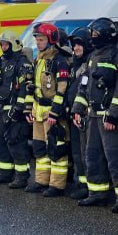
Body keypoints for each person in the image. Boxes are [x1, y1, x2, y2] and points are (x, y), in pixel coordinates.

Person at [73, 18, 118, 211]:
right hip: (92, 117)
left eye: (95, 35)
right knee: (92, 156)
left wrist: (114, 115)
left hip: (110, 118)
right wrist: (77, 109)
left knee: (115, 158)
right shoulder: (92, 57)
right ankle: (97, 193)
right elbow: (84, 86)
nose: (92, 39)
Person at [26, 23, 71, 197]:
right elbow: (35, 86)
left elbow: (62, 88)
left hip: (52, 112)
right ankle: (41, 180)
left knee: (56, 148)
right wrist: (29, 108)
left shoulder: (59, 60)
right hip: (38, 110)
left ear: (51, 40)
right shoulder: (40, 58)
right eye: (36, 39)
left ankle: (57, 185)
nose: (38, 42)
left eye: (41, 39)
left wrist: (55, 112)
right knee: (39, 148)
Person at [0, 32, 33, 188]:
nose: (4, 48)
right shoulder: (1, 61)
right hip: (0, 108)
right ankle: (5, 172)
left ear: (14, 45)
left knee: (16, 141)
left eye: (6, 45)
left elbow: (26, 89)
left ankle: (21, 176)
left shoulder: (23, 63)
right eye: (2, 45)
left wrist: (20, 108)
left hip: (15, 109)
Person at [64, 27, 93, 200]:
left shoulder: (90, 62)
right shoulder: (74, 64)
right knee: (76, 152)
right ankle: (81, 183)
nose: (76, 48)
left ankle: (89, 185)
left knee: (86, 152)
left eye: (79, 44)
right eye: (74, 45)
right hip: (73, 114)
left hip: (86, 115)